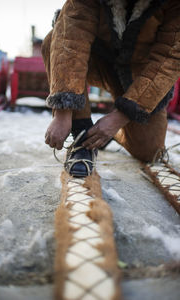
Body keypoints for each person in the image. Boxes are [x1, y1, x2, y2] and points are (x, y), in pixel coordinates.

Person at [41, 0, 180, 177]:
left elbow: (168, 60)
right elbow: (71, 36)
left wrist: (119, 118)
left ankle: (111, 134)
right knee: (54, 38)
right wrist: (63, 112)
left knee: (150, 151)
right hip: (97, 60)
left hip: (139, 75)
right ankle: (82, 139)